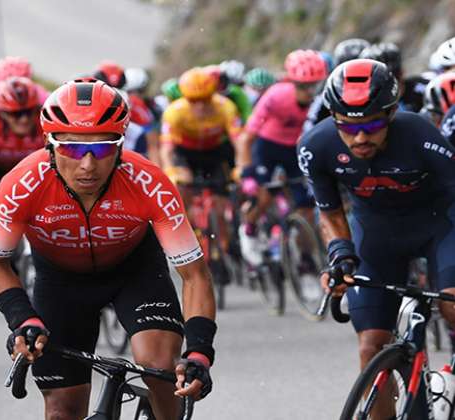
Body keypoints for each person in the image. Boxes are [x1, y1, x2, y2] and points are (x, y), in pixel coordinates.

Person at [0, 79, 217, 419]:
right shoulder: (21, 184)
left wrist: (199, 353)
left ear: (120, 145)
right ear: (49, 143)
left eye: (103, 148)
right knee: (62, 410)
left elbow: (195, 275)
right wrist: (22, 318)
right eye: (72, 148)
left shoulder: (149, 182)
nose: (88, 164)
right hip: (60, 282)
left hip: (134, 272)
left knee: (159, 366)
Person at [298, 59, 455, 417]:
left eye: (371, 125)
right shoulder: (316, 146)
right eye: (347, 127)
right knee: (371, 345)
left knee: (451, 303)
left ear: (392, 113)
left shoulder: (420, 136)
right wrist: (340, 255)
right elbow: (332, 212)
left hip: (440, 225)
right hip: (377, 232)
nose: (360, 137)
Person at [236, 49, 327, 266]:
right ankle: (249, 229)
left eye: (316, 85)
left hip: (295, 149)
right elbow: (246, 137)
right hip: (268, 147)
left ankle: (306, 259)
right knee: (265, 196)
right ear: (292, 82)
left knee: (305, 208)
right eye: (304, 86)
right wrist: (246, 172)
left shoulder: (321, 101)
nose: (310, 92)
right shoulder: (276, 95)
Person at [160, 66, 242, 254]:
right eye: (194, 101)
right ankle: (189, 229)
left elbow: (238, 141)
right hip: (186, 154)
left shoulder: (226, 107)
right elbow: (167, 148)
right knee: (182, 184)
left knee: (220, 207)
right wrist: (170, 169)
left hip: (214, 153)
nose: (201, 107)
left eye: (205, 100)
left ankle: (225, 245)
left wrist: (241, 165)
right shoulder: (174, 112)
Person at [0, 76, 45, 206]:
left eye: (29, 112)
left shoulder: (44, 118)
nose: (24, 119)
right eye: (16, 114)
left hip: (33, 173)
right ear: (3, 113)